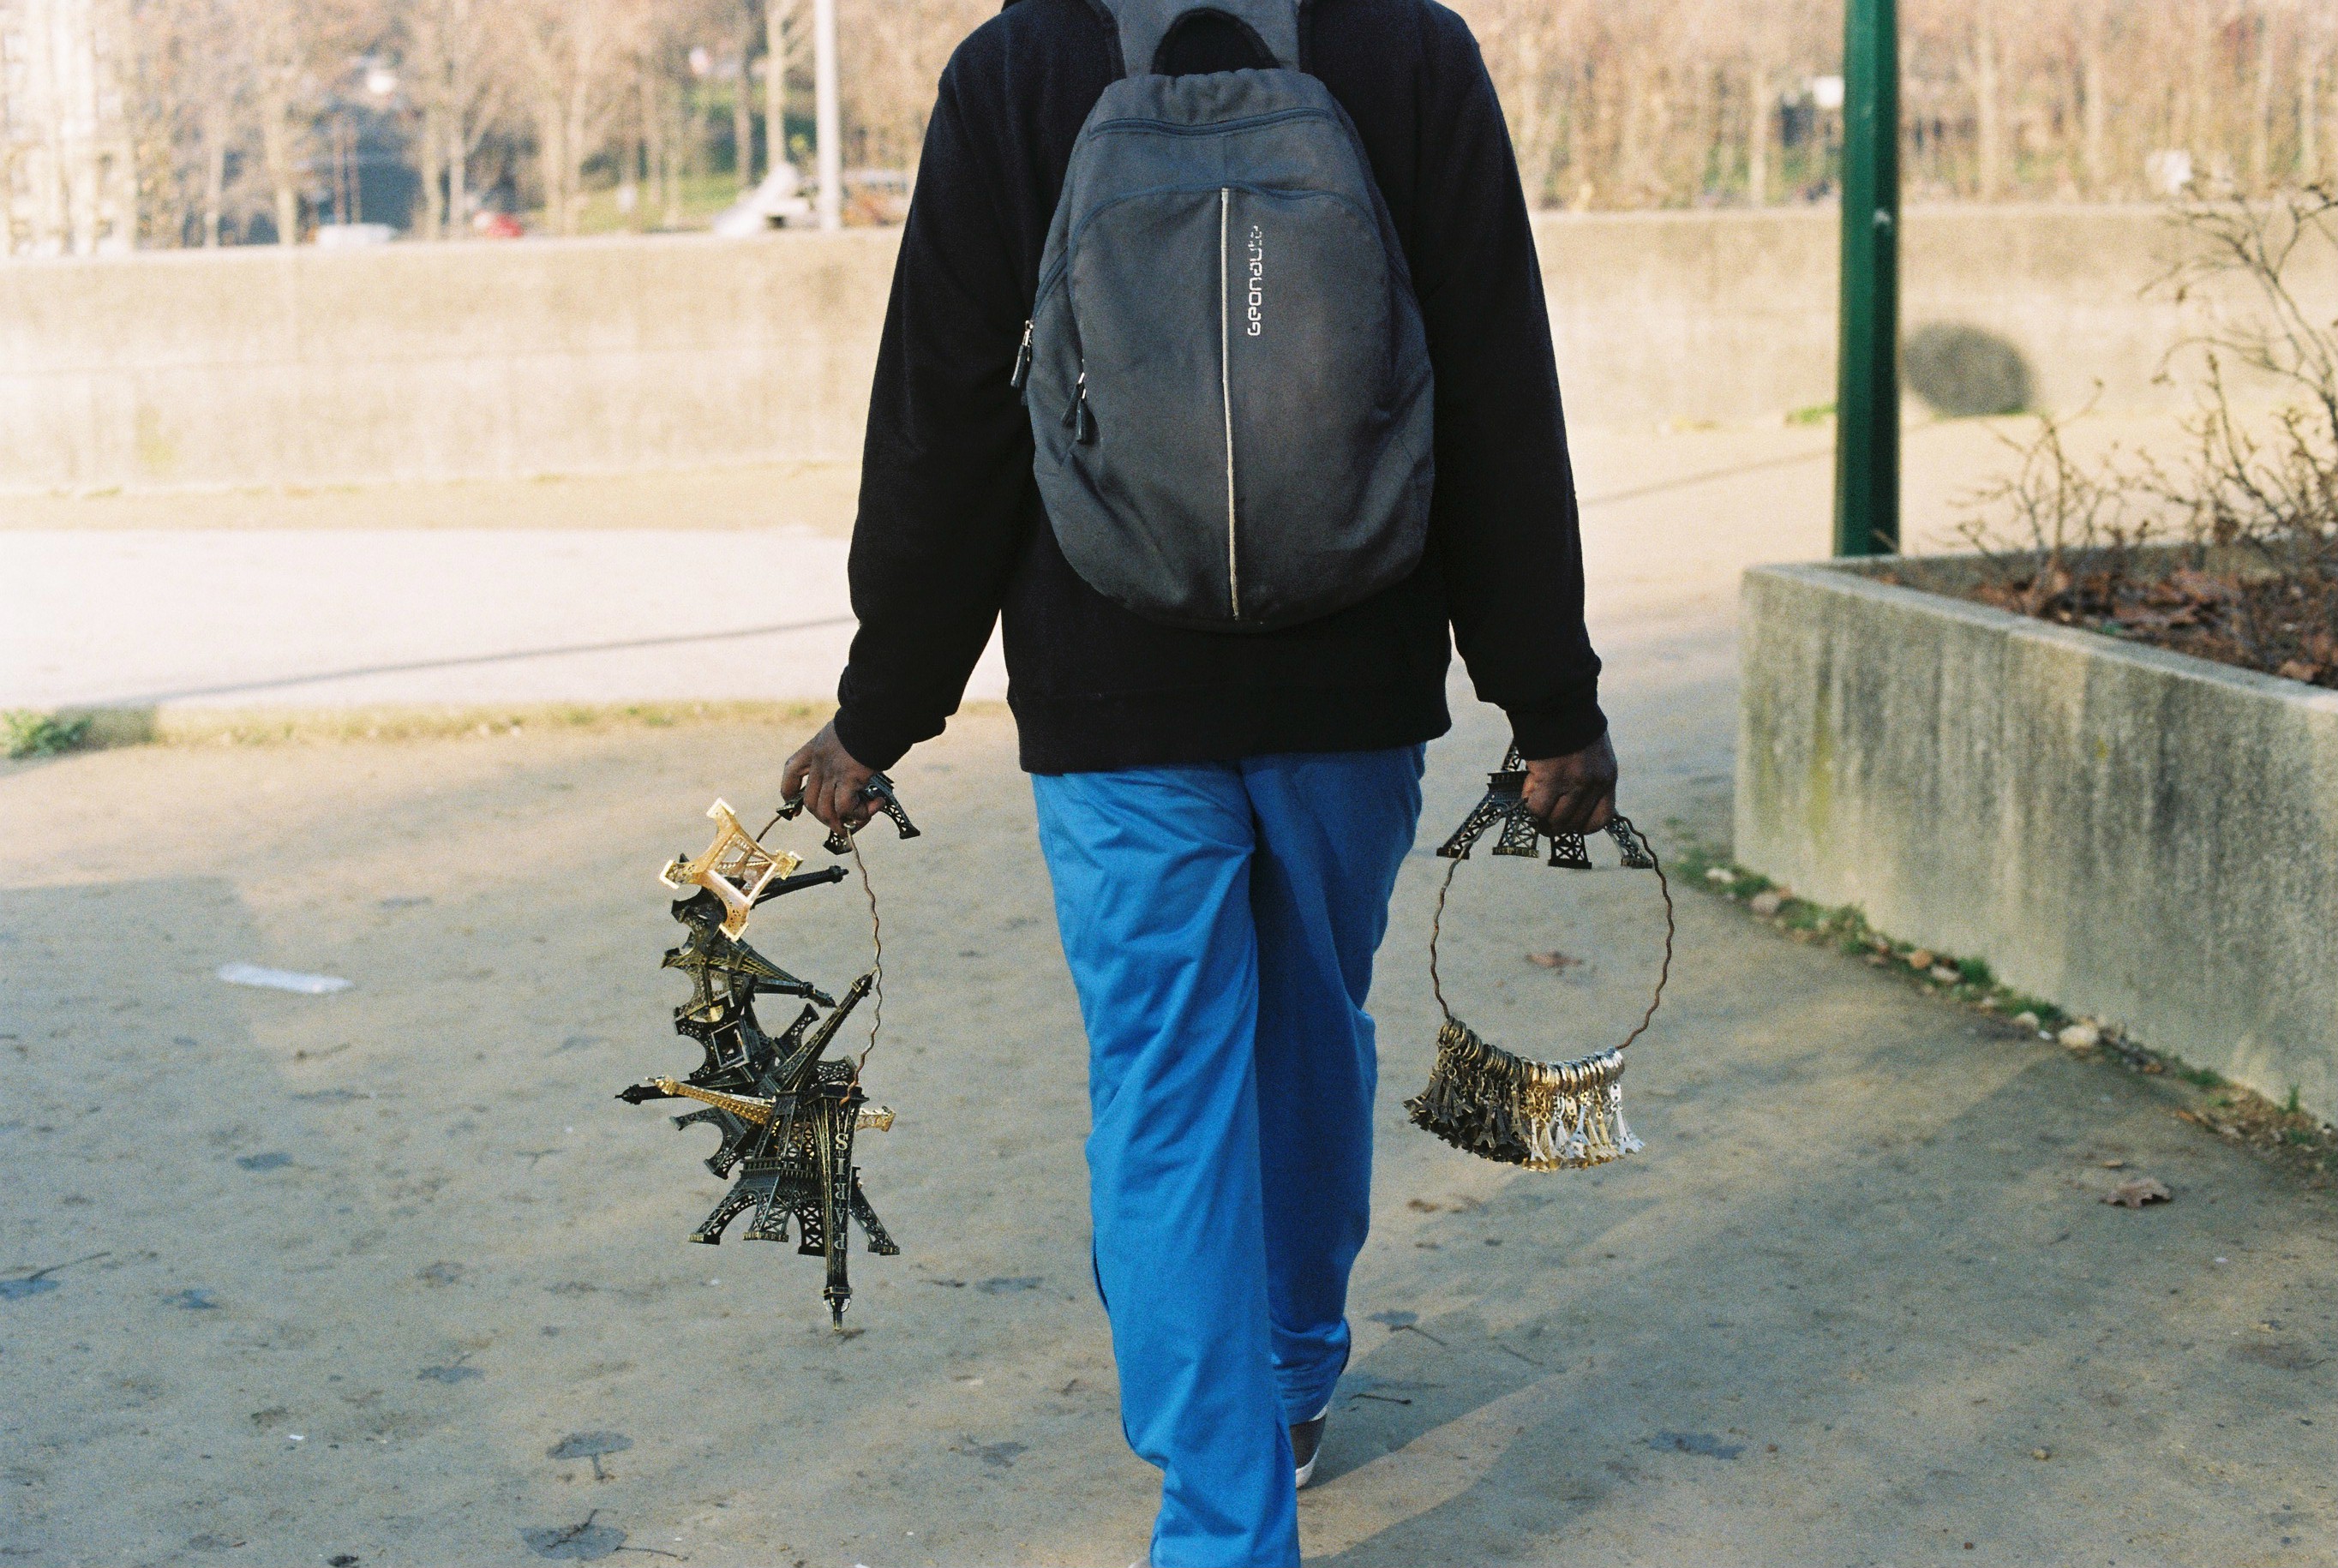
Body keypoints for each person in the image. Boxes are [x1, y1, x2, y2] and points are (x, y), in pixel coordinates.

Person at [782, 1, 1616, 1562]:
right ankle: (1297, 1358)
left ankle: (1223, 1524)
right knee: (1310, 1024)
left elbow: (944, 408)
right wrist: (1548, 697)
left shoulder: (1021, 66)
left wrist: (880, 708)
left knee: (1163, 1090)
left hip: (1111, 688)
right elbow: (1498, 376)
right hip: (1353, 673)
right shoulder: (1407, 49)